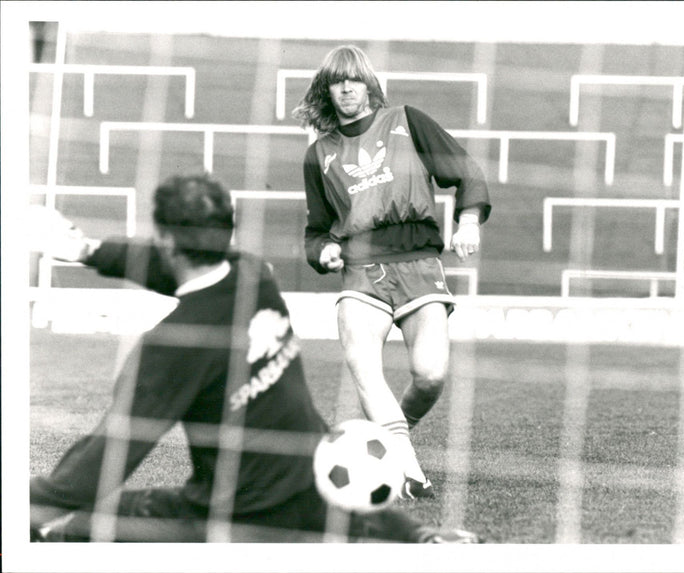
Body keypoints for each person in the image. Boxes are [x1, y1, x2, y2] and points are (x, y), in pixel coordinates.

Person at [29, 174, 481, 543]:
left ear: (165, 239)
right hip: (311, 484)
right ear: (227, 232)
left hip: (233, 514)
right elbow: (175, 267)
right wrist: (88, 250)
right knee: (340, 509)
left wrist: (32, 501)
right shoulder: (254, 276)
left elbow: (108, 457)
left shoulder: (172, 345)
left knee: (76, 522)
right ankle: (424, 539)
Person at [292, 45, 491, 499]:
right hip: (361, 271)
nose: (346, 87)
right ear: (327, 90)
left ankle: (389, 439)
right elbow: (316, 230)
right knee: (363, 362)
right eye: (337, 81)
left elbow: (466, 173)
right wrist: (322, 252)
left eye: (354, 79)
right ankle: (406, 468)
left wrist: (468, 221)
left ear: (368, 84)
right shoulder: (319, 154)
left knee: (431, 374)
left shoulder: (406, 121)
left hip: (419, 262)